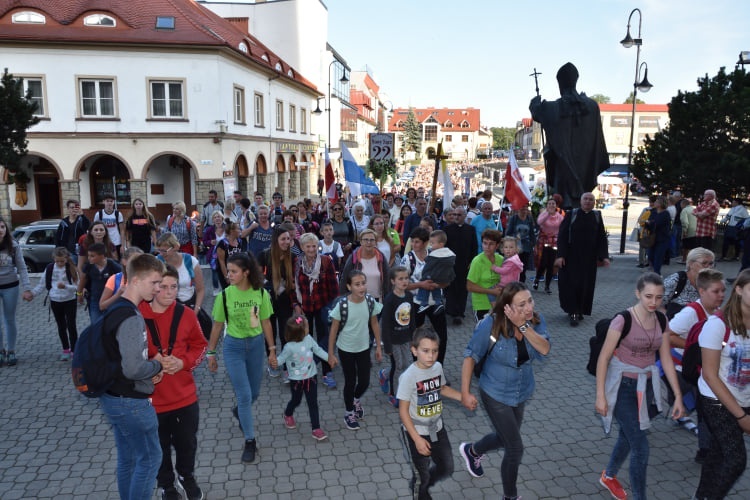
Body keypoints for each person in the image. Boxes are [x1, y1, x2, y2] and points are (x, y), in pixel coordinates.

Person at [595, 272, 685, 500]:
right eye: (648, 296)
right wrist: (600, 396)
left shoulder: (662, 320)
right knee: (641, 446)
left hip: (647, 386)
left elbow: (665, 358)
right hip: (622, 387)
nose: (654, 302)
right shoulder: (623, 320)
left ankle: (609, 475)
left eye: (658, 297)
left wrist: (677, 395)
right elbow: (603, 358)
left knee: (628, 435)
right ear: (637, 293)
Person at [459, 281, 551, 500]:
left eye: (530, 300)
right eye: (521, 304)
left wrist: (523, 325)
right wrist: (464, 392)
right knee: (515, 448)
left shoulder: (535, 321)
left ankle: (472, 451)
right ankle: (510, 497)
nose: (528, 307)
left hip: (521, 390)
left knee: (505, 438)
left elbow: (545, 349)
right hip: (495, 392)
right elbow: (470, 356)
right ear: (507, 307)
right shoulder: (490, 324)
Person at [97, 253, 166, 500]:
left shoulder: (115, 309)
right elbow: (134, 369)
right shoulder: (131, 317)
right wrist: (157, 367)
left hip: (113, 397)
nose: (158, 289)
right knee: (149, 459)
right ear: (135, 280)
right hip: (131, 401)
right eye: (155, 283)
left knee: (128, 458)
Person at [140, 265, 207, 500]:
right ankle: (166, 485)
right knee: (159, 448)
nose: (169, 292)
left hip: (184, 396)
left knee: (187, 444)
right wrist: (152, 362)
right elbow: (126, 355)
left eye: (174, 287)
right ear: (153, 287)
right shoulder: (136, 315)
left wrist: (183, 363)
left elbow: (200, 346)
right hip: (151, 401)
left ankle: (186, 476)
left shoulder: (186, 314)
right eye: (163, 287)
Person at [207, 253, 275, 464]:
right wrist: (211, 353)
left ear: (246, 272)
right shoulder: (225, 296)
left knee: (253, 393)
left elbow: (265, 322)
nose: (229, 275)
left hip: (255, 346)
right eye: (228, 271)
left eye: (233, 271)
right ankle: (250, 440)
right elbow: (217, 325)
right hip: (233, 348)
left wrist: (272, 349)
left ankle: (239, 411)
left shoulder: (260, 293)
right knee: (245, 395)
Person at [694, 268, 750, 499]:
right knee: (736, 459)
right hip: (715, 399)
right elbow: (709, 375)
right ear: (738, 290)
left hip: (743, 397)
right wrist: (741, 416)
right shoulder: (717, 325)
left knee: (718, 453)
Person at [529, 62, 609, 209]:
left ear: (560, 84)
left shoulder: (553, 107)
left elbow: (537, 111)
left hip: (563, 166)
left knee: (563, 202)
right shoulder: (592, 106)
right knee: (579, 201)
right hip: (586, 166)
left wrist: (536, 102)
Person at [666, 268, 725, 464]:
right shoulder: (691, 312)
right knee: (702, 407)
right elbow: (668, 336)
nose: (722, 296)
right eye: (716, 292)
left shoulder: (717, 313)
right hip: (684, 369)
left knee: (705, 408)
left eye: (723, 291)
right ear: (701, 291)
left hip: (702, 371)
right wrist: (696, 347)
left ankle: (705, 450)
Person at [398, 327, 462, 500]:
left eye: (434, 351)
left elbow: (441, 388)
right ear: (414, 350)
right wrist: (417, 439)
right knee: (421, 474)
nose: (430, 356)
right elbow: (403, 411)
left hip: (437, 428)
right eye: (425, 351)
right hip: (415, 432)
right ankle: (421, 490)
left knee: (447, 467)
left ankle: (423, 484)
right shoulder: (408, 376)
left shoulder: (437, 367)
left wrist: (462, 397)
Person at [327, 270, 383, 430]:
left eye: (363, 283)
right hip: (346, 350)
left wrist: (378, 346)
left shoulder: (370, 302)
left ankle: (355, 399)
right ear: (349, 286)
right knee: (350, 381)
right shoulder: (342, 305)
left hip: (364, 348)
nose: (362, 287)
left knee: (365, 381)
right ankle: (349, 413)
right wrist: (331, 354)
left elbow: (374, 324)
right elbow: (333, 330)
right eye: (357, 284)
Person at [272, 314, 333, 441]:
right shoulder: (289, 347)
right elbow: (281, 359)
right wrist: (274, 362)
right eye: (306, 326)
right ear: (300, 331)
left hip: (311, 378)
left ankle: (316, 428)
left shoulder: (309, 339)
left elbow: (318, 350)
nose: (308, 327)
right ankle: (288, 414)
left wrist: (329, 358)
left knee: (313, 404)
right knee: (296, 400)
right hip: (296, 381)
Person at [555, 192, 610, 326]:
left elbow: (601, 237)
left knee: (585, 285)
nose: (588, 201)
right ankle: (572, 312)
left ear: (594, 202)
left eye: (591, 199)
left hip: (589, 259)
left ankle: (580, 310)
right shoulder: (571, 214)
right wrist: (561, 255)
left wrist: (604, 257)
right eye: (585, 199)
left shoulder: (597, 216)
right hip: (571, 257)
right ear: (580, 201)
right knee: (571, 284)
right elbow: (562, 236)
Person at [293, 232, 339, 389]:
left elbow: (334, 288)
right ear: (302, 247)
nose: (312, 249)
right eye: (308, 246)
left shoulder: (326, 262)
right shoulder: (297, 263)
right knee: (306, 340)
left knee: (325, 339)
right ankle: (308, 372)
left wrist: (333, 308)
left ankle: (327, 371)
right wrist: (295, 305)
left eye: (314, 246)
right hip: (305, 307)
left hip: (323, 306)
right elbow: (294, 286)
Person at [402, 227, 450, 368]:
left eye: (417, 242)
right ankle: (418, 367)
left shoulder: (435, 255)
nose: (414, 245)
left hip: (435, 301)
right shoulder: (408, 259)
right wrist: (420, 285)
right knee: (416, 337)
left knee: (442, 336)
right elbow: (402, 285)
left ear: (425, 243)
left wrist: (438, 284)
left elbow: (446, 279)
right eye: (413, 242)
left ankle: (438, 368)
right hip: (416, 303)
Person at [259, 225, 297, 379]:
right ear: (276, 240)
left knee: (285, 333)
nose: (287, 242)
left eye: (288, 239)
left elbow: (295, 279)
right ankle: (272, 363)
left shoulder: (293, 257)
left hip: (285, 300)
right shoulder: (265, 255)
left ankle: (287, 365)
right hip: (268, 299)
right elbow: (257, 276)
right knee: (270, 333)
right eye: (283, 239)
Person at [27, 247, 79, 361]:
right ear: (53, 259)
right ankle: (65, 349)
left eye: (62, 261)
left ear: (67, 259)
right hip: (55, 300)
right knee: (61, 326)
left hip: (69, 300)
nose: (60, 263)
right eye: (57, 261)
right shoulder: (50, 268)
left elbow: (77, 287)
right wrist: (32, 294)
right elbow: (42, 284)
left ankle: (75, 350)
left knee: (71, 325)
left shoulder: (71, 268)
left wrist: (66, 286)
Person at [379, 266, 416, 408]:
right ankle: (393, 394)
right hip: (393, 340)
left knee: (407, 364)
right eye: (400, 279)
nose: (404, 281)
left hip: (406, 338)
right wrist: (386, 344)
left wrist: (413, 337)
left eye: (406, 278)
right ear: (393, 281)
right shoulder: (390, 300)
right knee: (398, 365)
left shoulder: (409, 296)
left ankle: (384, 374)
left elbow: (412, 318)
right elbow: (386, 324)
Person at [0, 217, 33, 366]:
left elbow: (22, 267)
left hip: (11, 286)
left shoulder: (13, 245)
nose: (0, 230)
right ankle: (1, 351)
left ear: (5, 229)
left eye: (2, 227)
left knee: (9, 319)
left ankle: (11, 350)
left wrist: (27, 288)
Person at [444, 207, 478, 325]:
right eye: (454, 215)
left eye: (459, 215)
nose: (456, 217)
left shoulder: (470, 229)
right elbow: (444, 247)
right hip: (451, 264)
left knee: (463, 289)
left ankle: (460, 312)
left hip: (465, 264)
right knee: (451, 288)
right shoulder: (447, 229)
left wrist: (472, 262)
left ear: (464, 216)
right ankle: (451, 310)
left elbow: (474, 247)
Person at [155, 233, 205, 312]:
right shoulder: (156, 262)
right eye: (159, 250)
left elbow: (200, 289)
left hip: (189, 305)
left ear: (175, 247)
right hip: (165, 307)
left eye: (164, 251)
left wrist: (196, 309)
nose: (161, 254)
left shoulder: (190, 261)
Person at [663, 247, 716, 319]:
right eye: (704, 263)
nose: (709, 267)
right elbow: (656, 304)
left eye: (711, 263)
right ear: (691, 264)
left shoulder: (711, 282)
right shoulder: (677, 280)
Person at [339, 228, 390, 301]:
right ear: (361, 242)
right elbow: (344, 280)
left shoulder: (381, 257)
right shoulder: (353, 258)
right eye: (365, 240)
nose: (369, 242)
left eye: (372, 240)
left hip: (378, 300)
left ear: (375, 242)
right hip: (357, 300)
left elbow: (387, 279)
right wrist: (344, 299)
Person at [77, 242, 122, 324]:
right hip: (94, 300)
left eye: (92, 256)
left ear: (102, 256)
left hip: (110, 300)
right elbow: (83, 280)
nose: (89, 258)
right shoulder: (89, 266)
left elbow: (122, 276)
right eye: (89, 255)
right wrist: (79, 293)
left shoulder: (112, 265)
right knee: (96, 324)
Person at [466, 229, 504, 322]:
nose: (487, 247)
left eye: (491, 244)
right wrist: (492, 291)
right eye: (485, 243)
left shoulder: (501, 259)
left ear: (497, 245)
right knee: (484, 334)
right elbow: (469, 287)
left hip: (499, 304)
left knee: (497, 335)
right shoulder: (477, 261)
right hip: (481, 305)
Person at [414, 230, 456, 314]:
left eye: (432, 243)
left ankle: (424, 302)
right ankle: (438, 302)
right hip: (445, 278)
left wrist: (423, 277)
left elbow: (428, 266)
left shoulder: (434, 255)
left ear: (441, 244)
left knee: (425, 283)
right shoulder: (450, 254)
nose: (430, 245)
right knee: (436, 287)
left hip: (434, 276)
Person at [99, 247, 144, 312]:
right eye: (133, 261)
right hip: (120, 318)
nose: (138, 264)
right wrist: (118, 294)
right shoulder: (115, 279)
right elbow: (102, 306)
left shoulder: (147, 279)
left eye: (141, 261)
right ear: (124, 261)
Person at [533, 198, 564, 293]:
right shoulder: (544, 214)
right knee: (543, 263)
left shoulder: (559, 216)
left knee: (551, 264)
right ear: (547, 205)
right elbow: (539, 222)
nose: (551, 205)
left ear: (556, 206)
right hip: (544, 241)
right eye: (549, 203)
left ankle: (547, 286)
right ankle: (537, 279)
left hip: (554, 241)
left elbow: (563, 227)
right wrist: (547, 214)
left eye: (553, 203)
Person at [504, 205, 536, 283]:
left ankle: (521, 285)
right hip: (515, 247)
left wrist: (534, 244)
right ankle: (512, 283)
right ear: (518, 209)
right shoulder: (514, 219)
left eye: (525, 208)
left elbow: (532, 233)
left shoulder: (529, 219)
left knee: (523, 268)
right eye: (522, 207)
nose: (524, 209)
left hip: (526, 247)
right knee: (514, 266)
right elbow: (508, 233)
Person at [644, 195, 671, 275]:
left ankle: (657, 273)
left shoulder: (665, 213)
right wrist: (647, 223)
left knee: (658, 256)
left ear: (661, 203)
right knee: (650, 255)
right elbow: (649, 222)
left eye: (656, 202)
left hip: (662, 238)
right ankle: (653, 270)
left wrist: (651, 222)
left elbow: (658, 223)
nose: (654, 203)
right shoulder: (653, 212)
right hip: (652, 237)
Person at [94, 195, 126, 259]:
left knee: (116, 261)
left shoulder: (118, 214)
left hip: (116, 242)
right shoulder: (99, 214)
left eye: (111, 201)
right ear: (103, 202)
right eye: (107, 201)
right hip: (103, 242)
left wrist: (123, 245)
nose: (109, 203)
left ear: (113, 202)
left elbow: (122, 230)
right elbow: (94, 229)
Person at [202, 210, 226, 295]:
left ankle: (226, 287)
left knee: (225, 269)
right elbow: (204, 241)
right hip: (214, 254)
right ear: (213, 220)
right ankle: (216, 288)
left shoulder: (227, 227)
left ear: (222, 218)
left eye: (218, 217)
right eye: (215, 217)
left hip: (226, 252)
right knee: (215, 271)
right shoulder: (210, 229)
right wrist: (210, 242)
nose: (217, 219)